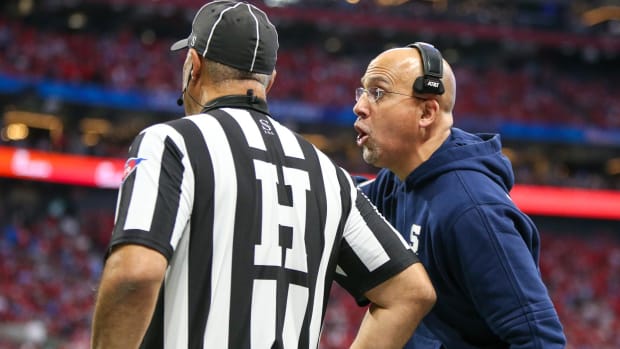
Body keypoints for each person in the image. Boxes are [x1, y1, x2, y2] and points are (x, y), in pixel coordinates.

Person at [90, 2, 436, 348]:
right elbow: (411, 291)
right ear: (270, 81)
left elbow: (134, 273)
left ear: (193, 65)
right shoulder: (331, 176)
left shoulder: (171, 142)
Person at [353, 42, 567, 348]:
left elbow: (540, 339)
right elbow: (342, 197)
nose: (360, 106)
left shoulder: (471, 209)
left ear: (426, 112)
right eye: (361, 92)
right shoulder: (401, 181)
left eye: (377, 92)